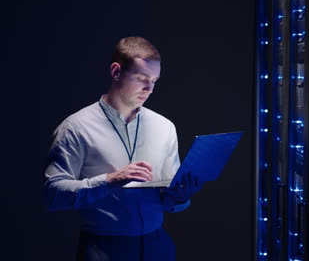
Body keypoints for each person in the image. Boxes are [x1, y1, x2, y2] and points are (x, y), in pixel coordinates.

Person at [43, 36, 201, 261]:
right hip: (103, 249)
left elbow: (168, 196)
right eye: (141, 78)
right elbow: (52, 194)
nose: (149, 88)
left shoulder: (165, 127)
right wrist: (108, 180)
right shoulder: (76, 127)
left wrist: (180, 196)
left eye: (154, 80)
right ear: (116, 72)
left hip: (159, 247)